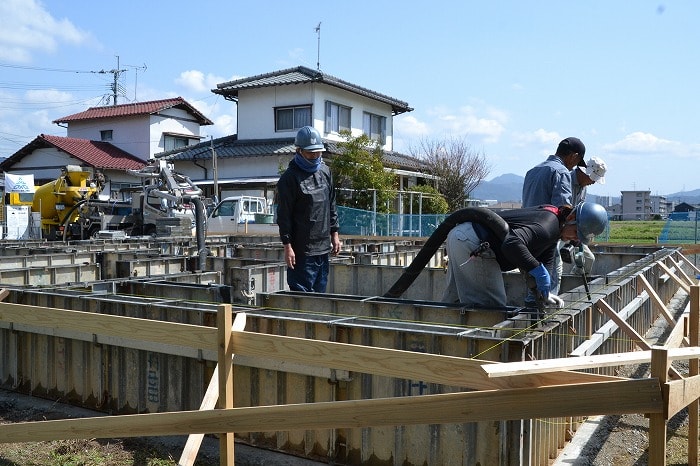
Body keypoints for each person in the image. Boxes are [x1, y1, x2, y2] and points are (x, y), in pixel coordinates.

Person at [441, 202, 609, 309]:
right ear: (571, 217)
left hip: (463, 236)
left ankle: (439, 348)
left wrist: (545, 293)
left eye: (579, 238)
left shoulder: (554, 229)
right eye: (576, 232)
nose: (574, 239)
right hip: (474, 242)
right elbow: (512, 243)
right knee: (490, 309)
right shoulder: (547, 226)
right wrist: (536, 269)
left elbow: (547, 261)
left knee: (454, 301)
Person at [276, 126, 341, 292]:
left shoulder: (325, 172)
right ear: (299, 151)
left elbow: (331, 204)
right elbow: (284, 216)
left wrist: (335, 234)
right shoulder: (289, 178)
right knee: (302, 298)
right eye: (311, 153)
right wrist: (287, 246)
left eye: (318, 152)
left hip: (322, 248)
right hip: (301, 251)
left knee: (320, 297)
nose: (315, 156)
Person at [521, 137, 587, 300]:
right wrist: (574, 232)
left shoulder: (532, 171)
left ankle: (531, 318)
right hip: (546, 236)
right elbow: (562, 209)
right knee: (549, 282)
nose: (575, 166)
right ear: (574, 156)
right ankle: (547, 320)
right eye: (578, 161)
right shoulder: (561, 172)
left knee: (533, 282)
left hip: (527, 235)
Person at [567, 156, 608, 276]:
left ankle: (574, 282)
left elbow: (581, 210)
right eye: (593, 178)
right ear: (585, 172)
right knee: (555, 259)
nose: (593, 182)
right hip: (561, 230)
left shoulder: (583, 188)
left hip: (575, 231)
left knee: (588, 259)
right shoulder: (566, 180)